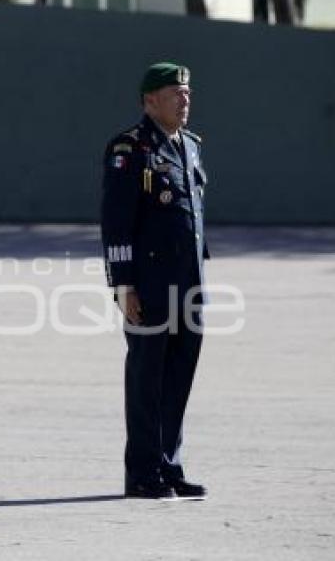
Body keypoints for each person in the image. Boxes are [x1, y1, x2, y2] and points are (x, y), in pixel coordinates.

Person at [100, 62, 209, 501]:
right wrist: (123, 285)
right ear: (149, 101)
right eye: (174, 93)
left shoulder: (191, 147)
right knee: (147, 377)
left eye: (187, 91)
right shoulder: (130, 149)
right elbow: (116, 223)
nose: (185, 99)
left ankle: (169, 464)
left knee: (179, 375)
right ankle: (142, 472)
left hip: (191, 284)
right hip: (148, 286)